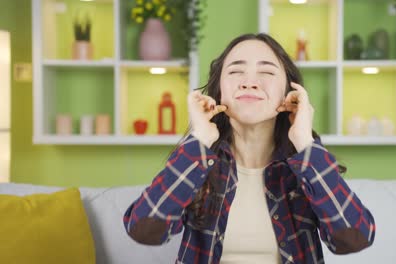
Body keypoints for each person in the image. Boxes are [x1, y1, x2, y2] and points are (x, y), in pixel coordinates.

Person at [123, 33, 376, 264]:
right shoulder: (197, 160)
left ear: (289, 91)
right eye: (235, 72)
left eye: (266, 72)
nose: (249, 82)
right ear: (219, 91)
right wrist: (199, 139)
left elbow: (355, 238)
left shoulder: (306, 164)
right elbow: (144, 231)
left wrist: (305, 142)